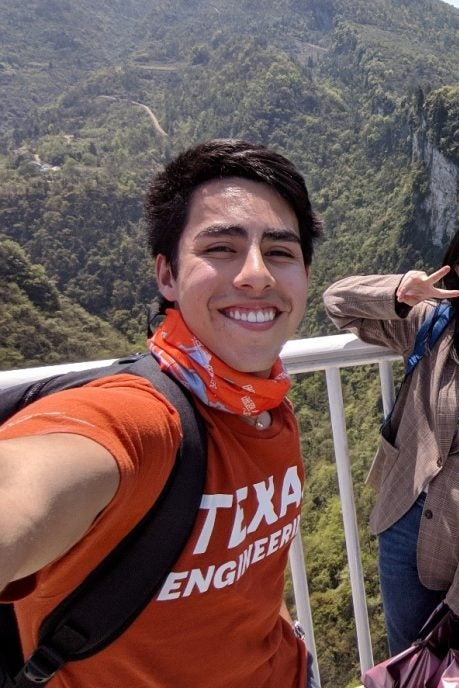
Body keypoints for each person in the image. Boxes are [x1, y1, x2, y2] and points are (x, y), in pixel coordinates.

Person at [0, 139, 324, 687]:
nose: (256, 274)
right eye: (220, 247)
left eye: (281, 252)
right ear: (167, 275)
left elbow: (247, 572)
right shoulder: (138, 421)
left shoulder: (266, 407)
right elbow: (28, 488)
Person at [322, 204, 459, 655]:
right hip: (402, 514)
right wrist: (400, 291)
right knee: (408, 660)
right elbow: (336, 302)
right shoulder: (432, 325)